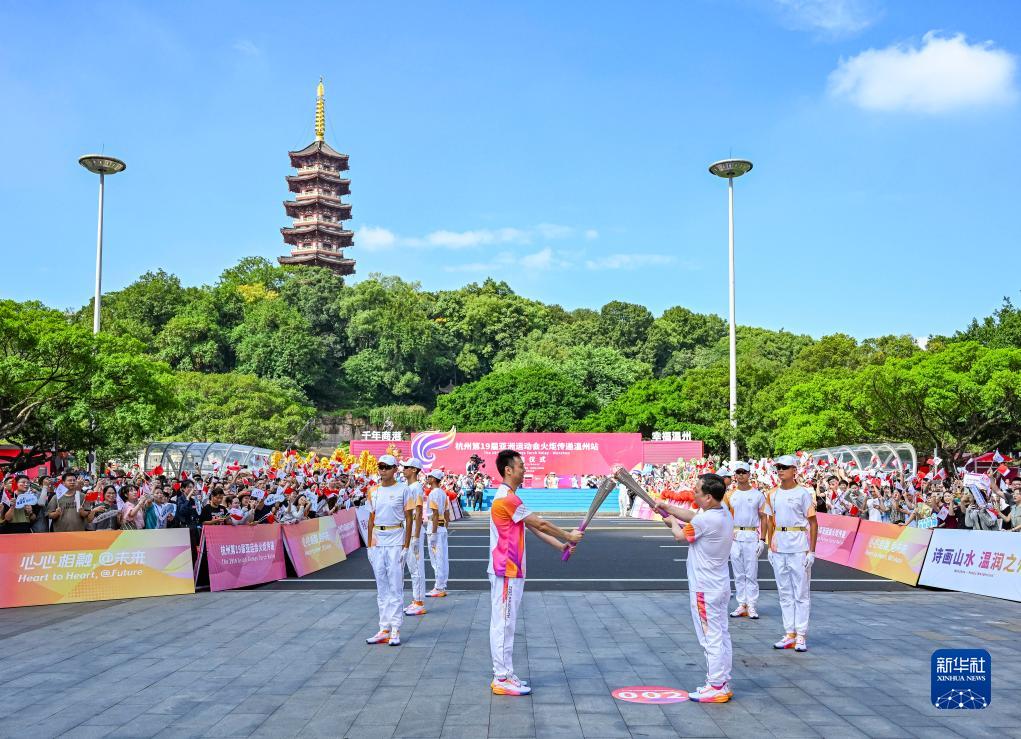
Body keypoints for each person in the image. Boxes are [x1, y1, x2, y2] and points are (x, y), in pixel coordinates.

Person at [488, 449, 582, 696]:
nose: (524, 469)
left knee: (507, 623)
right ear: (508, 470)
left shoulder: (510, 498)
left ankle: (506, 673)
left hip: (511, 569)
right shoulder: (506, 499)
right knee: (504, 624)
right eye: (520, 466)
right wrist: (568, 535)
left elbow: (533, 528)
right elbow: (540, 523)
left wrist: (561, 545)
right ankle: (501, 677)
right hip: (506, 569)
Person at [658, 473, 735, 703]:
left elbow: (680, 535)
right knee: (721, 634)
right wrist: (668, 508)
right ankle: (722, 682)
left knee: (709, 637)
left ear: (709, 497)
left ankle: (715, 686)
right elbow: (693, 517)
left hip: (704, 588)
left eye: (697, 492)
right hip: (719, 584)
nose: (694, 494)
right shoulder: (722, 511)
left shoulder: (705, 521)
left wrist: (671, 521)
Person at [763, 455, 818, 653]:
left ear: (794, 470)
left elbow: (813, 523)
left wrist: (812, 551)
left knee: (801, 593)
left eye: (784, 467)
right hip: (779, 546)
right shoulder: (772, 494)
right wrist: (770, 546)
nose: (780, 470)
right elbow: (770, 521)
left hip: (798, 546)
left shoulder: (803, 493)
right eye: (778, 467)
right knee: (784, 592)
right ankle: (789, 633)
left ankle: (801, 634)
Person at [365, 455, 413, 647]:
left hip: (396, 539)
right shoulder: (373, 491)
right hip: (378, 540)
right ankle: (383, 628)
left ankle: (395, 628)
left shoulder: (403, 489)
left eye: (386, 467)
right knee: (382, 587)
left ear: (395, 469)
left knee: (395, 585)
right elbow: (371, 519)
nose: (383, 470)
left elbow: (409, 518)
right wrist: (369, 546)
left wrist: (406, 546)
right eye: (380, 466)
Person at [725, 461, 767, 619]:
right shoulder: (729, 495)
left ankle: (751, 605)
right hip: (735, 536)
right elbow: (724, 515)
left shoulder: (758, 495)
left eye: (744, 472)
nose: (741, 475)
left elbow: (764, 518)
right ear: (735, 475)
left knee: (751, 573)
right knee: (738, 573)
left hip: (751, 534)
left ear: (749, 474)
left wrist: (762, 539)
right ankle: (741, 604)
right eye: (738, 472)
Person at [402, 458, 428, 617]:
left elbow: (418, 512)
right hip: (408, 528)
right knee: (412, 567)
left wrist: (416, 536)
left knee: (416, 567)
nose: (403, 469)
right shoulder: (408, 487)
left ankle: (419, 602)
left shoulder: (416, 487)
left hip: (413, 530)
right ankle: (415, 599)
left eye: (406, 467)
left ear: (414, 470)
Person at [426, 468, 451, 598]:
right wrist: (444, 526)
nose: (428, 479)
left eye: (429, 477)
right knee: (443, 558)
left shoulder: (433, 493)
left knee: (436, 559)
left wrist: (434, 533)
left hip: (434, 527)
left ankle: (439, 587)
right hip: (441, 528)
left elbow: (435, 514)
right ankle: (442, 585)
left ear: (434, 479)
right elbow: (447, 513)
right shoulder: (443, 493)